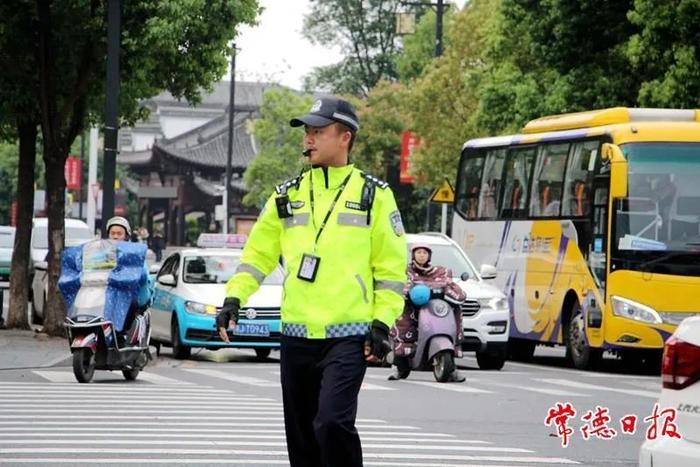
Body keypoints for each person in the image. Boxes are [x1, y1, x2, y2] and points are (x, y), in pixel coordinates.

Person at [216, 96, 407, 467]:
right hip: (296, 334)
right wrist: (233, 299)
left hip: (349, 336)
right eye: (307, 132)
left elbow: (390, 270)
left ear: (345, 137)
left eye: (318, 131)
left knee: (332, 423)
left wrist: (382, 323)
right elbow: (257, 257)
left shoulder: (374, 196)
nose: (309, 139)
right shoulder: (286, 196)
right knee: (302, 436)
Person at [388, 243, 466, 382]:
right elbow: (398, 286)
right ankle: (399, 367)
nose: (422, 255)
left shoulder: (440, 272)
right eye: (418, 252)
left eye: (425, 252)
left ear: (429, 255)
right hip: (412, 309)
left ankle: (452, 369)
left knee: (455, 313)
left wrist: (448, 289)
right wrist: (406, 292)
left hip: (433, 309)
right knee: (404, 322)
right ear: (413, 255)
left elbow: (451, 287)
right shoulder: (406, 272)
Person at [104, 216, 153, 341]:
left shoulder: (134, 253)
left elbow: (143, 275)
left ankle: (121, 334)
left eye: (119, 233)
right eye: (112, 233)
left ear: (126, 236)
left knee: (130, 304)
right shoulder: (101, 253)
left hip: (129, 294)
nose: (115, 236)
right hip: (105, 293)